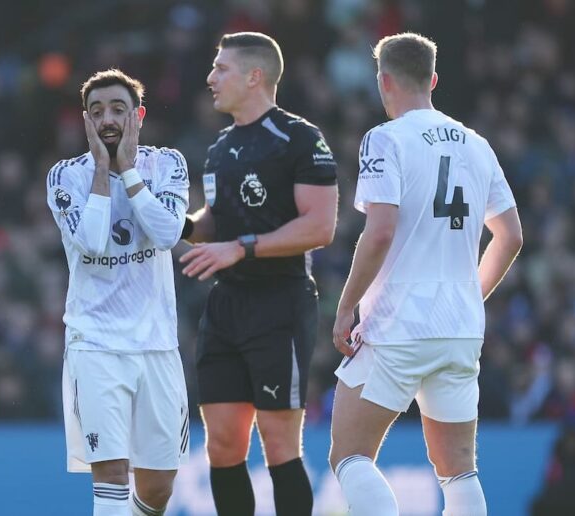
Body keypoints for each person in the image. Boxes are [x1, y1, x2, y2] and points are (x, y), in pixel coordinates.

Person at [329, 32, 522, 516]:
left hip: (398, 321)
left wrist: (346, 305)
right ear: (433, 80)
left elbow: (379, 232)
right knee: (458, 470)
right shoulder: (477, 145)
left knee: (350, 455)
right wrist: (470, 295)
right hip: (459, 325)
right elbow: (511, 236)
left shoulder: (385, 138)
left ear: (383, 81)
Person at [178, 32, 337, 516]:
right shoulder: (220, 148)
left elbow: (321, 225)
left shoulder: (300, 138)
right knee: (223, 445)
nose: (210, 78)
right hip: (227, 307)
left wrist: (242, 249)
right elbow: (214, 224)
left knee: (278, 443)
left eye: (220, 69)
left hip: (279, 305)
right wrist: (175, 224)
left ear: (254, 76)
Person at [48, 69, 191, 516]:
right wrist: (102, 169)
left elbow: (168, 233)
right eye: (96, 112)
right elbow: (91, 241)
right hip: (96, 345)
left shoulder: (167, 164)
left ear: (138, 115)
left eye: (117, 110)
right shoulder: (65, 176)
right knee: (109, 479)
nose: (107, 120)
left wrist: (127, 170)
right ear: (84, 121)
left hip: (157, 345)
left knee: (159, 488)